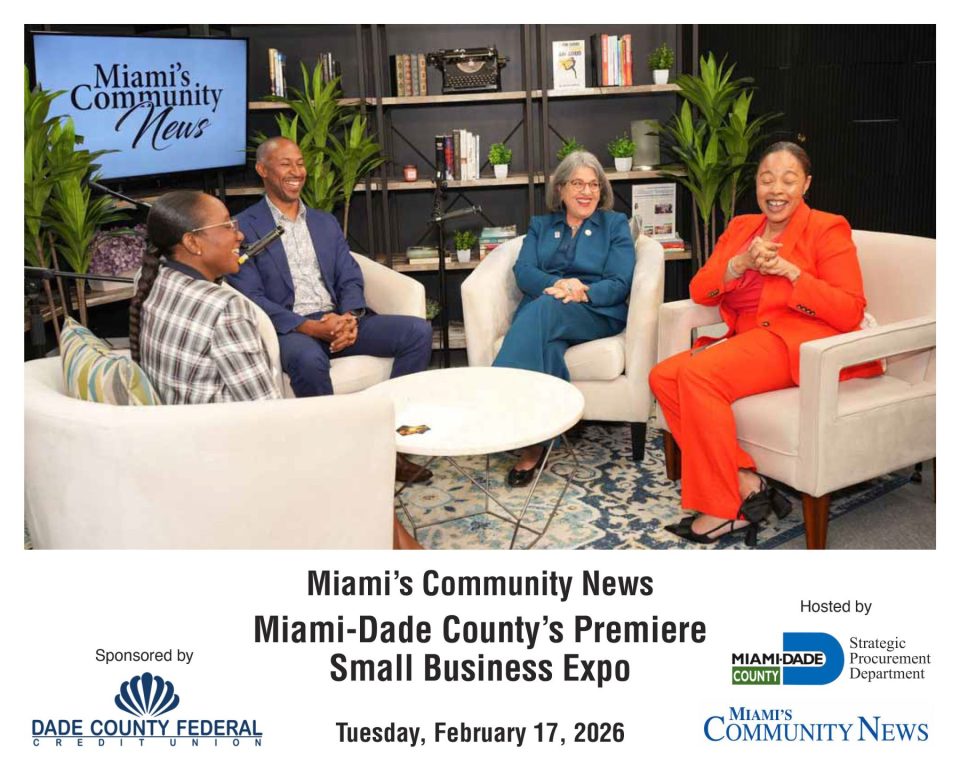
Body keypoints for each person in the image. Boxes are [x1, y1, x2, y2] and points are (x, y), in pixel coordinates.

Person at [649, 141, 882, 546]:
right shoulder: (742, 228)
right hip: (748, 337)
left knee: (698, 376)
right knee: (664, 376)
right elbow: (701, 290)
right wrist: (737, 265)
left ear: (806, 184)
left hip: (795, 342)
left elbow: (849, 310)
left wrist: (793, 275)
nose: (776, 189)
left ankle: (726, 510)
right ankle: (745, 481)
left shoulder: (827, 228)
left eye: (788, 180)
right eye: (766, 179)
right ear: (756, 185)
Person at [228, 136, 434, 483]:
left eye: (300, 163)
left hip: (335, 317)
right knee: (308, 360)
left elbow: (349, 274)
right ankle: (332, 459)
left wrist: (349, 318)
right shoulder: (242, 228)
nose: (296, 171)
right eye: (285, 164)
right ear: (262, 170)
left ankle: (393, 447)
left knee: (417, 332)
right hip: (291, 329)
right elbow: (250, 295)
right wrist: (309, 328)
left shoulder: (324, 222)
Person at [492, 150, 635, 486]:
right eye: (577, 183)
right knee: (549, 344)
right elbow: (524, 271)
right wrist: (558, 284)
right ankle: (536, 443)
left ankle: (494, 402)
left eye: (594, 185)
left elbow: (620, 282)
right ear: (560, 189)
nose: (587, 192)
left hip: (595, 311)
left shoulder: (614, 225)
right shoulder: (541, 226)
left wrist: (583, 292)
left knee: (544, 308)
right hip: (548, 309)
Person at [129, 190, 281, 404]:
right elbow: (266, 408)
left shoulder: (151, 277)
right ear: (192, 242)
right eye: (227, 226)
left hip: (173, 420)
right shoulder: (225, 309)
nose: (240, 235)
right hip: (218, 425)